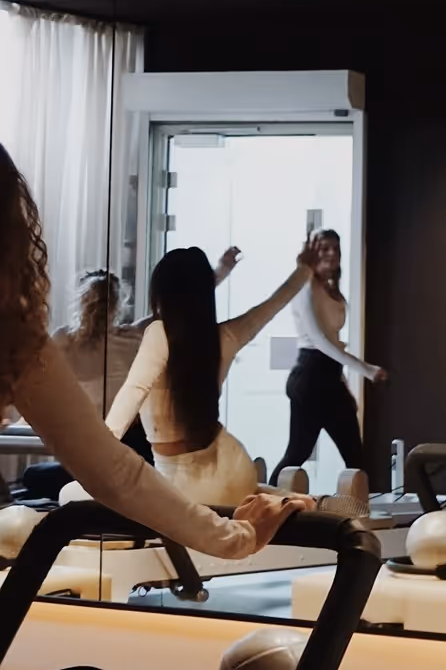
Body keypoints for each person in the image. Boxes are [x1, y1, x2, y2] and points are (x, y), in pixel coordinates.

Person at [0, 143, 304, 557]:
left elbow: (118, 443)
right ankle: (274, 490)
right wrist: (299, 271)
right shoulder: (172, 334)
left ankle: (276, 492)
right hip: (220, 464)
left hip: (177, 470)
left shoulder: (136, 334)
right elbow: (265, 305)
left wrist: (98, 446)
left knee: (68, 492)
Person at [103, 240, 318, 507]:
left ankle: (284, 501)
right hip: (230, 466)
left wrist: (99, 449)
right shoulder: (224, 337)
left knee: (74, 495)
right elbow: (273, 304)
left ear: (162, 296)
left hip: (184, 483)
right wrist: (304, 270)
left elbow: (132, 392)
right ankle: (297, 502)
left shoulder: (158, 334)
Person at [17, 256, 240, 501]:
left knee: (32, 477)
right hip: (133, 453)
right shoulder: (134, 335)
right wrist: (221, 271)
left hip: (106, 453)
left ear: (80, 302)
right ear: (118, 305)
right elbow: (181, 304)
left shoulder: (64, 341)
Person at [269, 230, 385, 488]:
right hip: (310, 379)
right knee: (298, 453)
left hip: (327, 379)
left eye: (336, 248)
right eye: (325, 249)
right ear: (313, 253)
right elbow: (320, 342)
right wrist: (366, 370)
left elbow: (332, 342)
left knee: (354, 457)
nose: (332, 254)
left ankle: (356, 513)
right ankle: (261, 502)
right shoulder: (304, 288)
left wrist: (344, 384)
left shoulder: (328, 288)